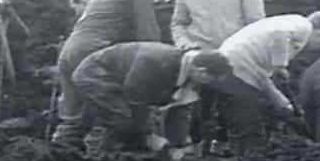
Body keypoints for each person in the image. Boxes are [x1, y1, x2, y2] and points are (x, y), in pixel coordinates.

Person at [52, 0, 182, 145]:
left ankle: (57, 157)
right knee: (109, 114)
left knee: (74, 117)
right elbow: (148, 36)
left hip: (71, 50)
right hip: (94, 53)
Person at [168, 0, 267, 146]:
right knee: (198, 114)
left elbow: (257, 26)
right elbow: (178, 24)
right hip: (200, 64)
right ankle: (200, 156)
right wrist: (185, 44)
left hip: (235, 63)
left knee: (239, 113)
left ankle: (245, 156)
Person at [213, 11, 320, 155]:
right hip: (236, 65)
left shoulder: (287, 28)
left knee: (248, 113)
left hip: (238, 65)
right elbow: (278, 34)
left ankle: (243, 153)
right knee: (248, 115)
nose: (315, 50)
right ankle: (248, 156)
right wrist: (280, 66)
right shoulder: (302, 25)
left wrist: (280, 100)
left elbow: (262, 77)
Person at [70, 42, 234, 152]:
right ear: (201, 71)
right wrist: (149, 136)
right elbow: (136, 100)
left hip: (122, 84)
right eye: (210, 80)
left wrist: (178, 147)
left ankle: (114, 156)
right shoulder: (155, 63)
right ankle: (101, 160)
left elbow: (180, 112)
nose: (209, 85)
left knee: (124, 123)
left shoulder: (190, 76)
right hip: (95, 74)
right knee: (122, 119)